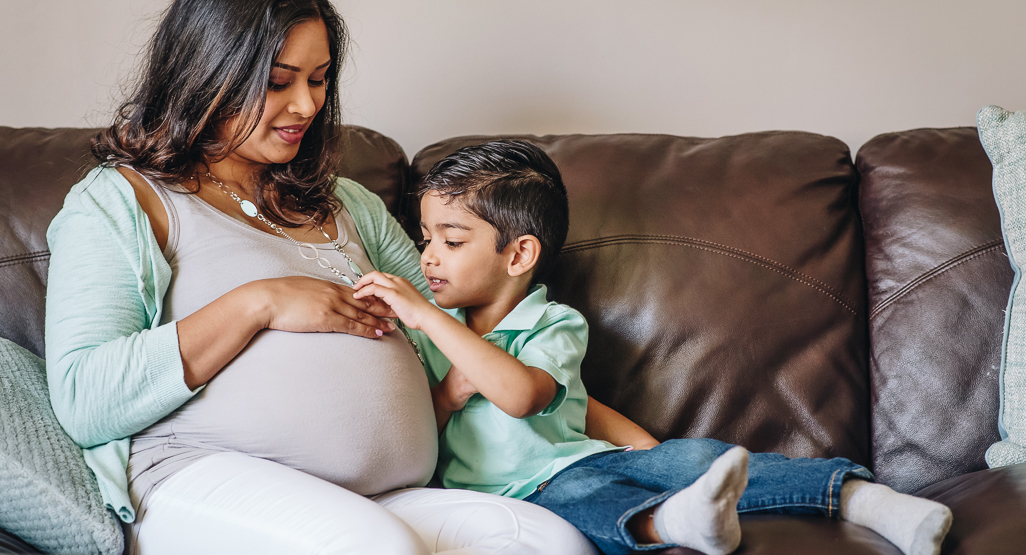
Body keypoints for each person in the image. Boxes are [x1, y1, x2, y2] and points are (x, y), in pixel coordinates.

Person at [44, 1, 633, 553]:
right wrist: (259, 304)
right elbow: (83, 397)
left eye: (319, 78)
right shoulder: (121, 202)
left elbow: (471, 341)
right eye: (279, 82)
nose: (306, 105)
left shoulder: (347, 203)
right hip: (197, 474)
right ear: (206, 72)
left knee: (550, 542)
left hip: (390, 493)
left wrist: (632, 450)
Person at [352, 140, 956, 555]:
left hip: (577, 461)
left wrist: (647, 450)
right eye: (425, 235)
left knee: (694, 460)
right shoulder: (433, 329)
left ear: (518, 255)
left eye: (451, 240)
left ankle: (866, 500)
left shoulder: (551, 323)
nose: (427, 255)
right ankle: (678, 523)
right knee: (587, 506)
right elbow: (421, 430)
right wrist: (447, 388)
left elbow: (534, 397)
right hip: (523, 498)